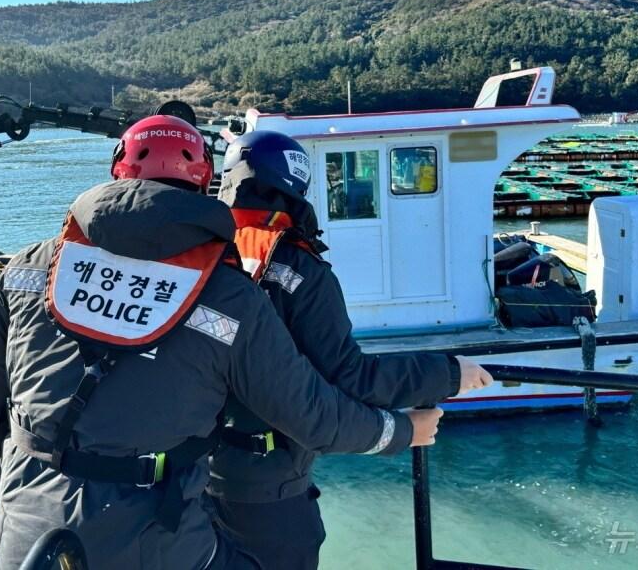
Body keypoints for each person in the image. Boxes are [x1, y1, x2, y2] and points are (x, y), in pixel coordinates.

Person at [0, 115, 448, 570]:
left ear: (117, 169)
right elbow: (315, 416)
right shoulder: (226, 295)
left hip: (23, 534)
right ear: (203, 181)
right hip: (158, 545)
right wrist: (403, 431)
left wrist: (6, 479)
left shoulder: (28, 266)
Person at [210, 130, 493, 570]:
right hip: (270, 489)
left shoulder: (207, 254)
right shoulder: (301, 268)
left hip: (200, 477)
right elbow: (349, 377)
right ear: (296, 185)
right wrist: (449, 373)